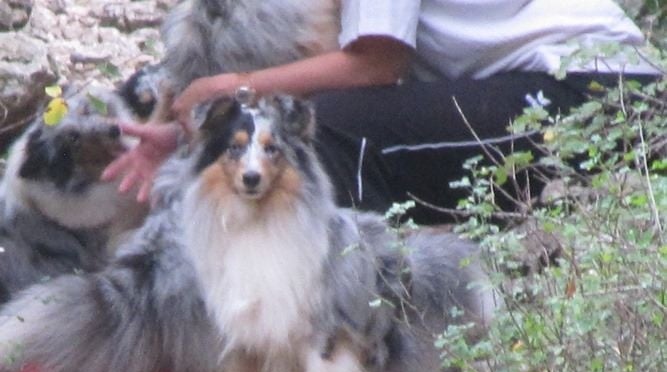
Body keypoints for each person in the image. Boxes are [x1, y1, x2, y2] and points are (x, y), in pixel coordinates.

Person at [103, 0, 662, 223]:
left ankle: (354, 337)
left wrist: (234, 87)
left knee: (337, 128)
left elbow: (375, 65)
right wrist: (194, 135)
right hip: (597, 91)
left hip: (597, 98)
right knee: (347, 120)